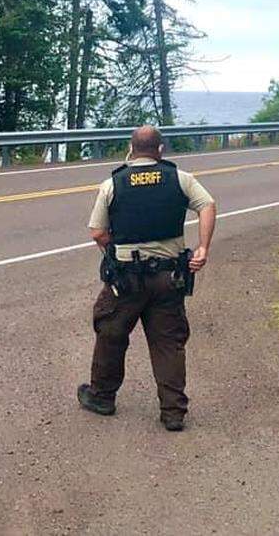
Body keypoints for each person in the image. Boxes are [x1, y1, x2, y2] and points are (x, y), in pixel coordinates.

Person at [77, 125, 217, 432]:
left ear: (131, 148)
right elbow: (207, 205)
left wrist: (113, 247)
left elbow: (98, 232)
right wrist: (203, 247)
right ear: (161, 149)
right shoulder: (180, 179)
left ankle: (102, 396)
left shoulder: (113, 184)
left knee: (111, 335)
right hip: (170, 277)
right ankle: (173, 412)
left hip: (126, 281)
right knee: (168, 343)